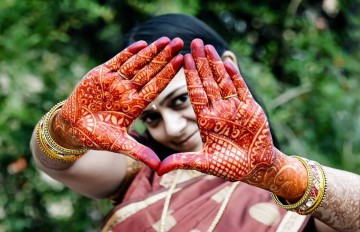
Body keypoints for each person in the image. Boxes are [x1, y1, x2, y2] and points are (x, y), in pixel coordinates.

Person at [30, 14, 359, 232]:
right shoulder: (142, 173)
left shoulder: (290, 195)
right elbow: (58, 162)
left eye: (180, 100)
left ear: (227, 67)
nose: (172, 128)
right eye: (151, 117)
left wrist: (281, 175)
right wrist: (64, 128)